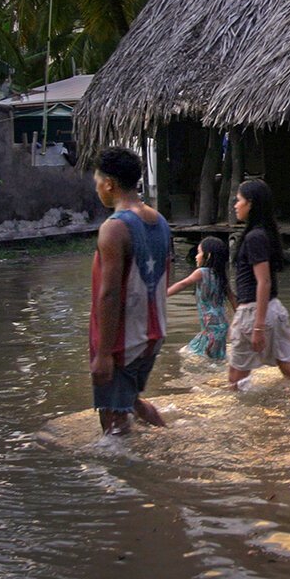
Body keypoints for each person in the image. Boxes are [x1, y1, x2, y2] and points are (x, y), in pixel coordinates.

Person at [88, 146, 172, 434]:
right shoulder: (159, 221)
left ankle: (126, 475)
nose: (98, 189)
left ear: (109, 184)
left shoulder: (113, 228)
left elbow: (109, 294)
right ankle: (168, 436)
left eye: (98, 182)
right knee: (129, 400)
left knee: (113, 422)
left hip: (122, 341)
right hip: (152, 333)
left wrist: (103, 354)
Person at [228, 178, 290, 385]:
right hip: (272, 309)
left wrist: (258, 327)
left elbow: (263, 282)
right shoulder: (263, 234)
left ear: (251, 204)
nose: (235, 205)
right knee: (289, 367)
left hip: (255, 312)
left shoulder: (254, 237)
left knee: (235, 380)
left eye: (239, 200)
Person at [167, 236, 232, 363]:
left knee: (202, 358)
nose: (196, 257)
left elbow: (183, 284)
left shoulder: (201, 272)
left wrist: (162, 295)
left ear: (208, 256)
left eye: (199, 253)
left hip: (211, 328)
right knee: (211, 357)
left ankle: (216, 380)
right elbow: (233, 299)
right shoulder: (221, 276)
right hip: (220, 326)